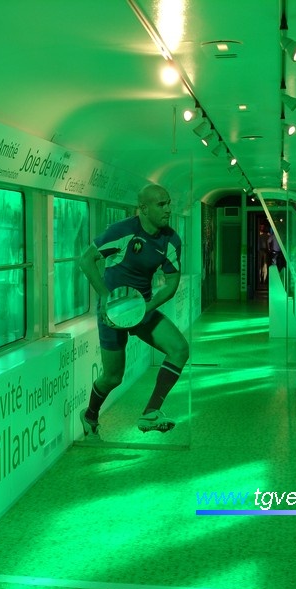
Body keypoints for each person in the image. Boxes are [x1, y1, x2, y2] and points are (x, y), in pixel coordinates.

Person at [77, 183, 189, 439]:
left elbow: (172, 283)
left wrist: (146, 307)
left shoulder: (171, 239)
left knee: (180, 349)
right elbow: (85, 260)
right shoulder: (123, 231)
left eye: (168, 203)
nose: (168, 209)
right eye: (161, 204)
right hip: (113, 312)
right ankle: (90, 415)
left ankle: (151, 412)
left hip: (142, 308)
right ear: (143, 208)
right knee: (113, 377)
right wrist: (106, 297)